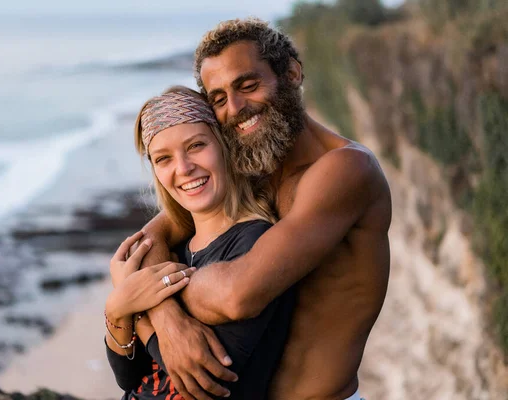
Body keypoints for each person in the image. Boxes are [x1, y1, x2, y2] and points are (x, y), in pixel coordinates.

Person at [133, 18, 392, 400]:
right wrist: (168, 321)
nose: (235, 108)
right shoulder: (250, 170)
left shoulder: (346, 170)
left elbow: (238, 294)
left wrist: (148, 296)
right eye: (218, 99)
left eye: (247, 85)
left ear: (291, 72)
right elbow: (151, 238)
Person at [103, 86, 296, 399]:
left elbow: (208, 382)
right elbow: (127, 376)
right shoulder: (171, 249)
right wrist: (117, 307)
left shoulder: (254, 244)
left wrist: (133, 305)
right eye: (163, 159)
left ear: (223, 146)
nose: (183, 168)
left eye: (195, 146)